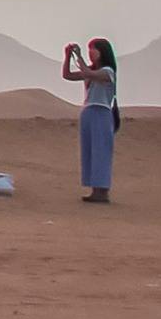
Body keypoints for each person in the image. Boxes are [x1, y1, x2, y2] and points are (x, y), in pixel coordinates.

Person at [62, 37, 119, 203]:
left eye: (93, 49)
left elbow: (88, 73)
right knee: (89, 150)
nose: (91, 52)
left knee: (101, 151)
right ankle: (95, 189)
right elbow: (67, 75)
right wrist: (67, 57)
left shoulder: (107, 71)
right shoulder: (92, 70)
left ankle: (103, 191)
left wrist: (78, 57)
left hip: (101, 112)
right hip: (88, 111)